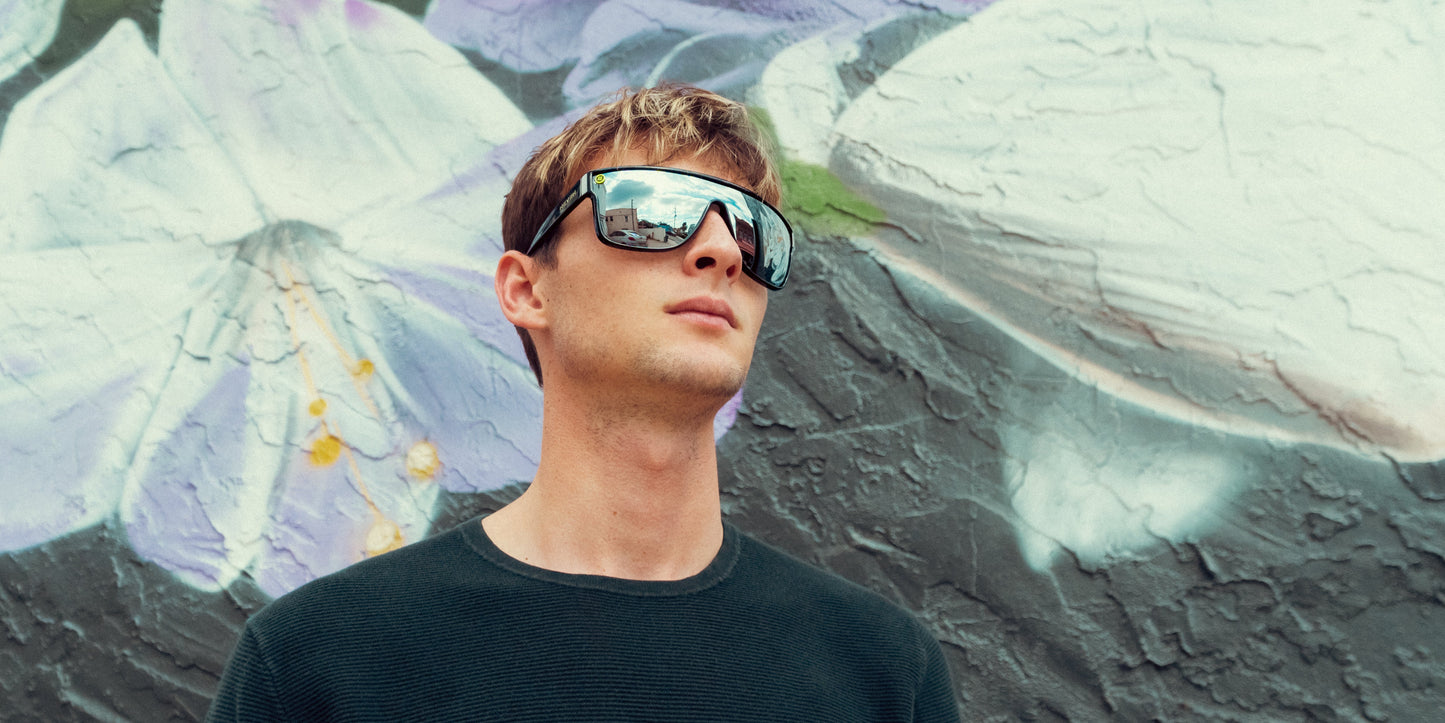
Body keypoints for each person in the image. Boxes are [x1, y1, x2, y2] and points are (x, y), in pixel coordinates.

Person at [207, 84, 960, 722]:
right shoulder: (316, 659)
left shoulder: (883, 671)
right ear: (526, 288)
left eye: (754, 234)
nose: (721, 251)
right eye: (650, 210)